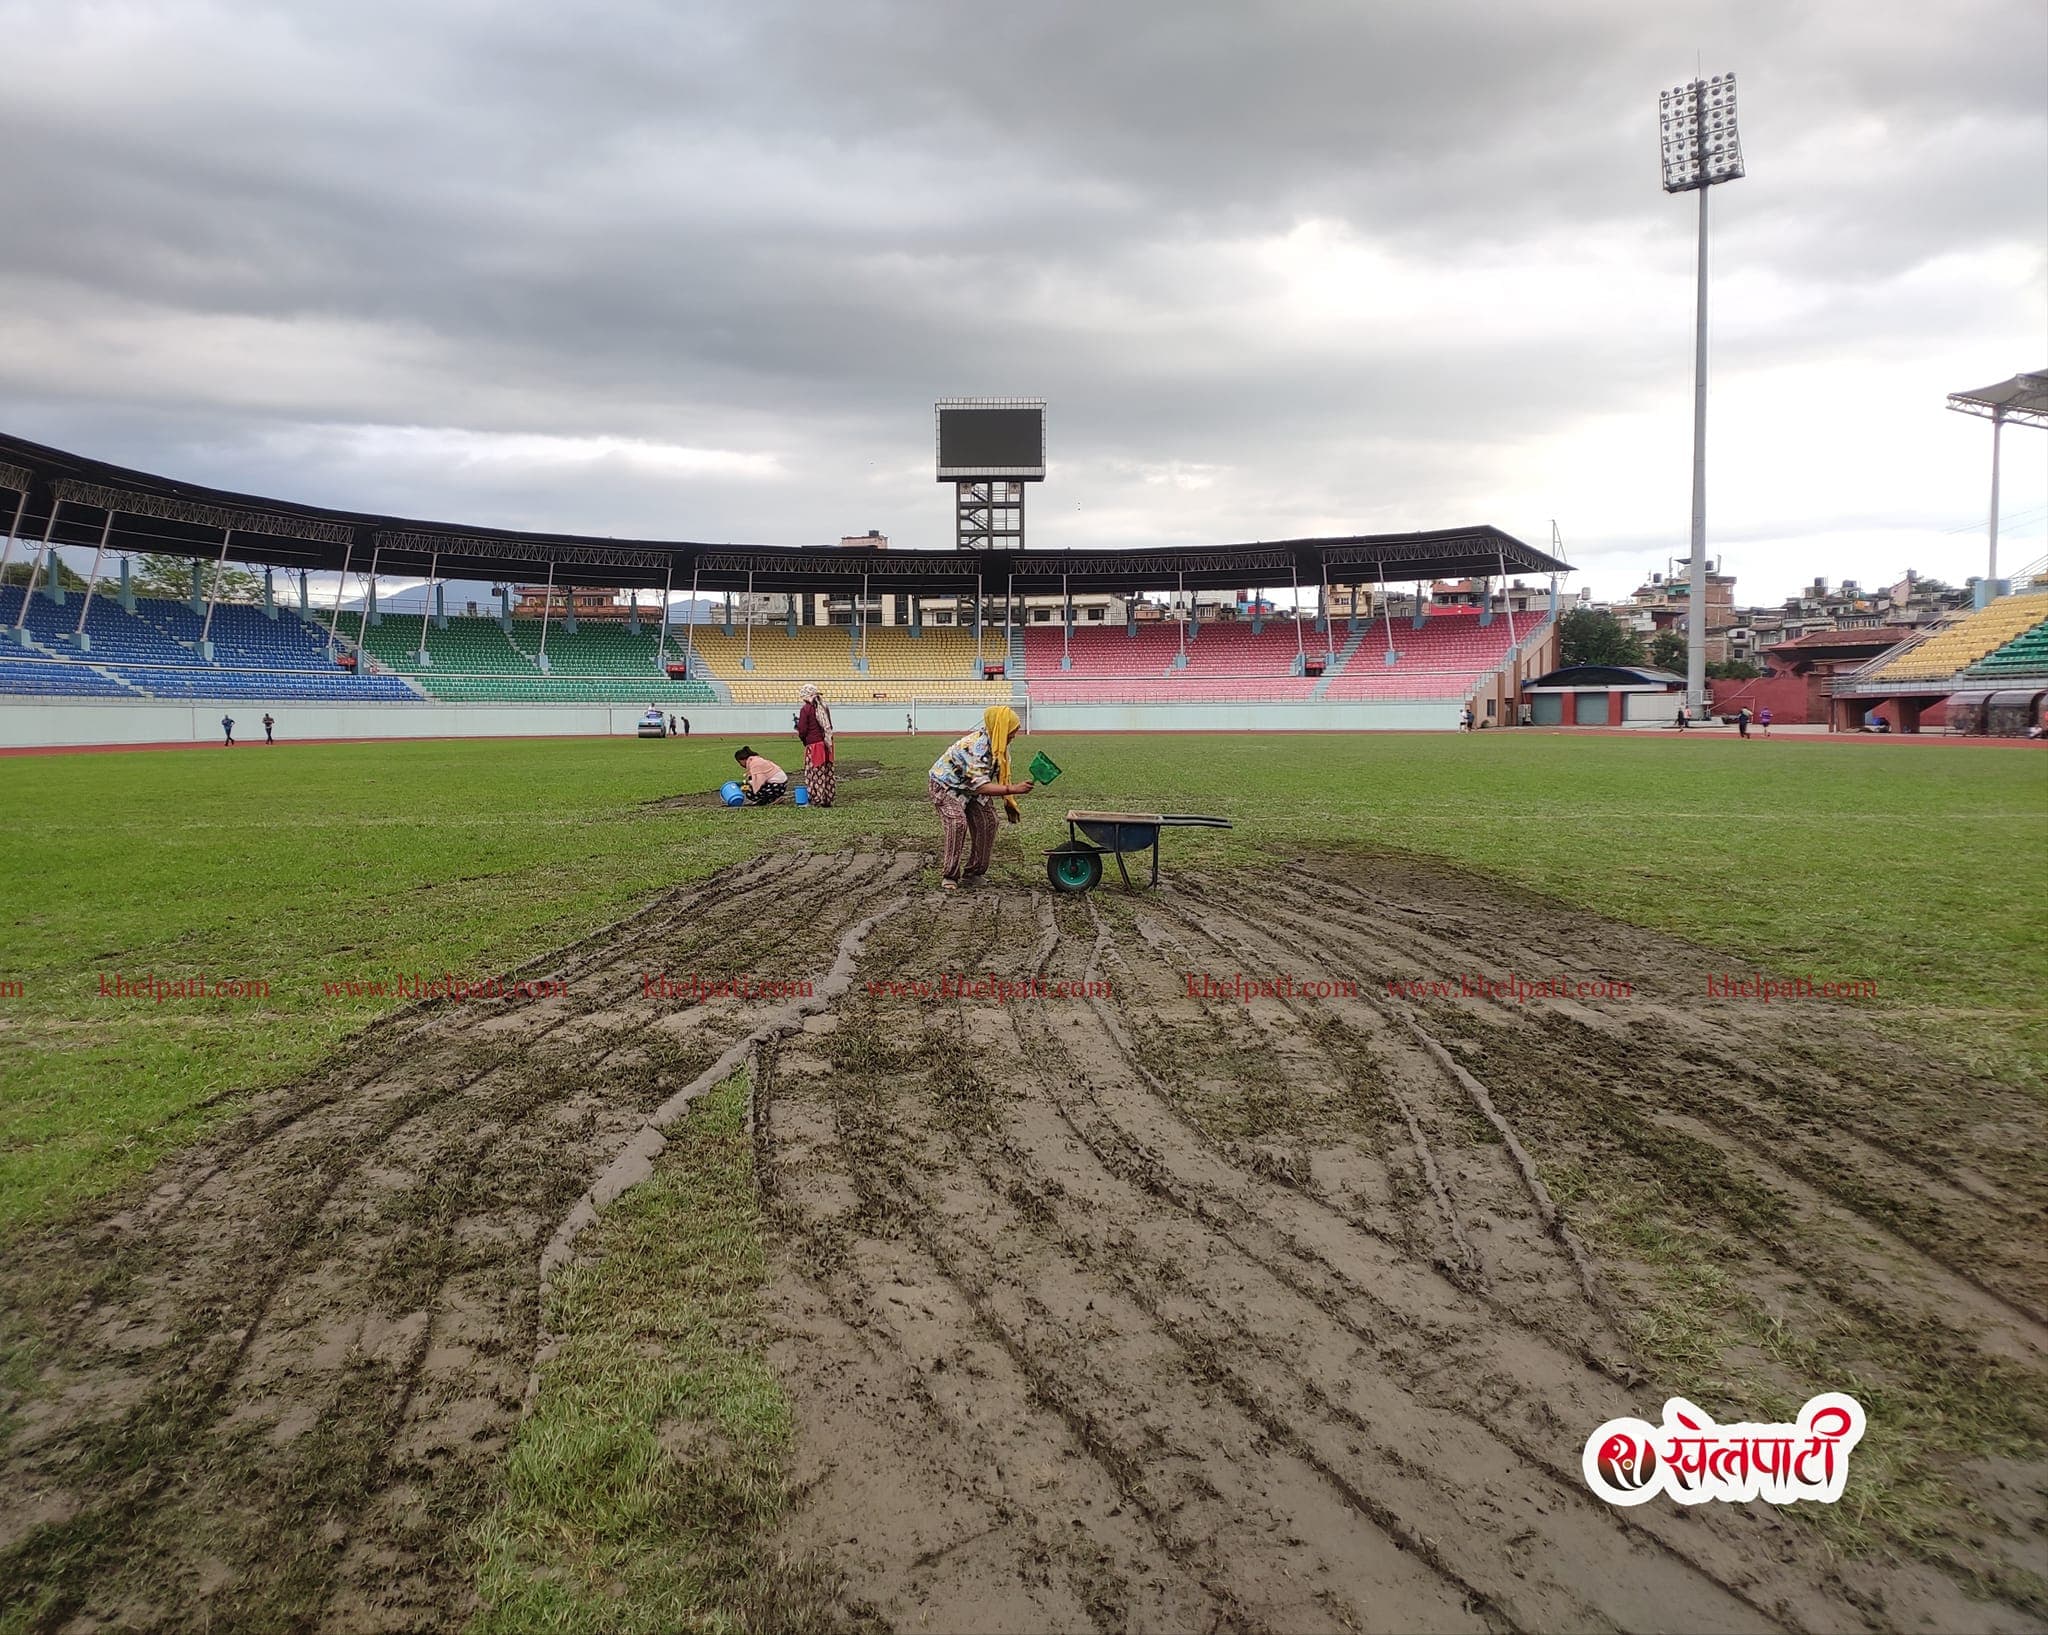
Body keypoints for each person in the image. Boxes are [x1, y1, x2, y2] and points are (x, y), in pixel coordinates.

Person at [927, 705, 1034, 890]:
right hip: (947, 786)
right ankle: (950, 875)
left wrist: (1009, 800)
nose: (1014, 735)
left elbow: (993, 776)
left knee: (989, 821)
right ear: (1001, 728)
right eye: (1012, 731)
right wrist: (1012, 789)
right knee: (957, 823)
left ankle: (974, 872)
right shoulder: (977, 747)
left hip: (970, 788)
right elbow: (981, 786)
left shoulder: (999, 745)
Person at [795, 684, 837, 807]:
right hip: (827, 744)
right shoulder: (824, 707)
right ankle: (828, 797)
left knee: (814, 773)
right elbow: (829, 726)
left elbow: (803, 729)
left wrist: (804, 740)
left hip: (814, 745)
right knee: (827, 771)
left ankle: (817, 798)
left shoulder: (806, 709)